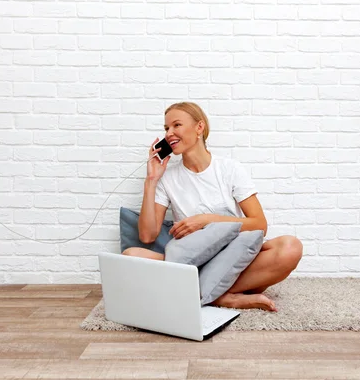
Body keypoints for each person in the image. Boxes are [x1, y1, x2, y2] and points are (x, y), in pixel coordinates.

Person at [122, 102, 303, 312]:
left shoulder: (229, 169)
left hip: (235, 257)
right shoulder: (167, 178)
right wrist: (151, 180)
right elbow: (147, 236)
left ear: (199, 127)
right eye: (166, 128)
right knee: (131, 257)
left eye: (176, 125)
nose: (169, 133)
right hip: (192, 261)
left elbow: (259, 225)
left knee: (290, 247)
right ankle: (222, 297)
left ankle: (205, 293)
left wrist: (206, 220)